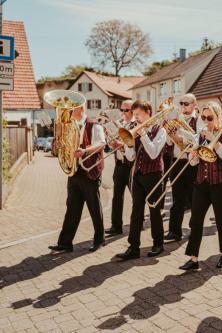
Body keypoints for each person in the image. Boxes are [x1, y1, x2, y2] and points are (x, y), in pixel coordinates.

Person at [179, 101, 222, 271]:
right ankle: (193, 257)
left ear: (218, 117)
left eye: (209, 117)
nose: (206, 121)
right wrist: (194, 155)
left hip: (221, 184)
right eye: (203, 117)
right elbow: (192, 163)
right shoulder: (199, 135)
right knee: (195, 221)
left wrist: (214, 141)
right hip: (201, 184)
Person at [49, 105, 106, 253]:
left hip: (89, 171)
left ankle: (99, 239)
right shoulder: (69, 126)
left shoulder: (94, 125)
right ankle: (65, 243)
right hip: (74, 171)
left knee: (94, 207)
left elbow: (101, 144)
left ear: (80, 109)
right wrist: (58, 145)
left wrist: (85, 150)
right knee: (72, 208)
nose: (68, 112)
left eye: (71, 109)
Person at [116, 100, 167, 260]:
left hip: (154, 175)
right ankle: (133, 247)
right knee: (136, 212)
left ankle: (158, 244)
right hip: (138, 174)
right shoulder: (134, 130)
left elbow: (153, 153)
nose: (135, 117)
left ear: (148, 112)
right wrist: (127, 146)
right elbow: (131, 157)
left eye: (138, 114)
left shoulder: (161, 131)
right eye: (134, 114)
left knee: (154, 211)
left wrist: (143, 134)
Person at [164, 93, 201, 241]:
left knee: (194, 200)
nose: (183, 106)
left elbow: (198, 140)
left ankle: (195, 231)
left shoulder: (199, 121)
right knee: (177, 199)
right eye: (182, 103)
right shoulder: (176, 120)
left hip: (192, 163)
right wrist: (169, 134)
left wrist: (181, 138)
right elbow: (168, 143)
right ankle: (174, 231)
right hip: (177, 162)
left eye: (187, 103)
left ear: (194, 104)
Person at [106, 100, 136, 236]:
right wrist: (111, 142)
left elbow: (135, 147)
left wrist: (121, 145)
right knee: (116, 197)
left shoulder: (136, 125)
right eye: (122, 110)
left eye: (126, 110)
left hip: (131, 166)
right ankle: (116, 226)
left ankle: (137, 224)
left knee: (136, 197)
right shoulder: (120, 124)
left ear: (133, 110)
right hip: (119, 164)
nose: (123, 113)